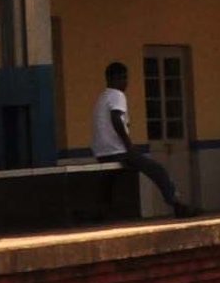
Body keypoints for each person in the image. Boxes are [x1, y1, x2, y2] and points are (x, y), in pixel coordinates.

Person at [83, 61, 196, 218]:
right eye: (124, 78)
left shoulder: (102, 97)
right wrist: (129, 145)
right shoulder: (117, 95)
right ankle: (176, 204)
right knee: (157, 170)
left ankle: (101, 212)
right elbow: (116, 118)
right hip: (118, 150)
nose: (126, 83)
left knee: (108, 181)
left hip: (101, 152)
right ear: (115, 79)